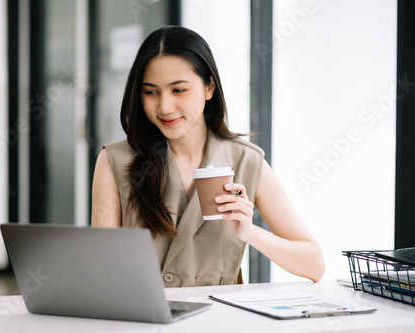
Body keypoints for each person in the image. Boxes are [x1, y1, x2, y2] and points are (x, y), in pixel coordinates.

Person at [91, 26, 325, 287]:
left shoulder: (245, 160)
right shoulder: (115, 161)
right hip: (142, 322)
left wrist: (250, 232)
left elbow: (314, 265)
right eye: (151, 92)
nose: (165, 107)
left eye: (178, 90)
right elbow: (101, 268)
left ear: (209, 87)